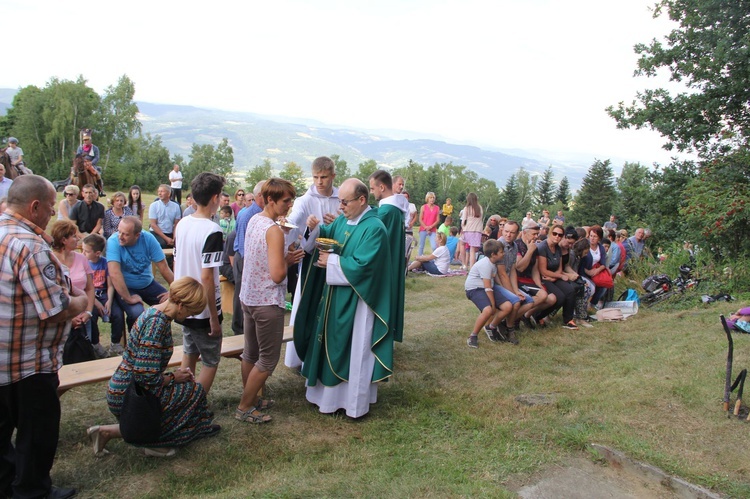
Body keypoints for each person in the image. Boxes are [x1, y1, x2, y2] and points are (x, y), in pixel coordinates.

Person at [0, 175, 88, 498]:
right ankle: (32, 490)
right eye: (51, 207)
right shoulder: (31, 247)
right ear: (34, 206)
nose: (54, 214)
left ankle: (6, 486)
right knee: (36, 435)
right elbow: (54, 309)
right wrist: (80, 301)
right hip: (28, 364)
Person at [86, 277, 220, 458]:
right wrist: (173, 378)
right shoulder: (156, 325)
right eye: (190, 311)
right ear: (181, 305)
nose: (189, 316)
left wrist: (173, 377)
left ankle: (108, 432)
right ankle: (152, 442)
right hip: (129, 394)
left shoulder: (154, 313)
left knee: (187, 390)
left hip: (127, 387)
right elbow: (144, 376)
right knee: (192, 392)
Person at [294, 178, 393, 418]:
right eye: (339, 201)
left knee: (353, 348)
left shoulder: (375, 228)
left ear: (362, 200)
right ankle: (323, 397)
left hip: (359, 301)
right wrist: (314, 228)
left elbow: (366, 267)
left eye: (344, 202)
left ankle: (351, 402)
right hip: (334, 296)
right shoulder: (344, 219)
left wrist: (333, 261)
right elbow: (326, 236)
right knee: (329, 341)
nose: (340, 207)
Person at [236, 178, 303, 423]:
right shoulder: (273, 230)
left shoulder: (255, 220)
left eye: (291, 200)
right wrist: (288, 261)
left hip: (249, 298)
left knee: (249, 354)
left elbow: (259, 259)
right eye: (286, 201)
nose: (290, 205)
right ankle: (244, 407)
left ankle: (251, 398)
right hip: (266, 303)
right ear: (270, 200)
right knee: (267, 359)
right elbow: (277, 275)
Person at [283, 158, 341, 368]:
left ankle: (327, 352)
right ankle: (301, 354)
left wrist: (338, 221)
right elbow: (293, 228)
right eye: (315, 177)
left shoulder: (340, 197)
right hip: (313, 260)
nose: (319, 182)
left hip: (336, 258)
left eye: (324, 177)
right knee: (308, 304)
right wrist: (307, 228)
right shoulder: (305, 200)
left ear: (333, 176)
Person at [173, 172, 226, 395]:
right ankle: (193, 408)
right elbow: (207, 276)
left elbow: (177, 261)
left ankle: (182, 401)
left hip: (184, 303)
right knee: (211, 360)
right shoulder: (213, 230)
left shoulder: (183, 223)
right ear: (215, 198)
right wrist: (214, 318)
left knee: (189, 352)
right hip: (203, 308)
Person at [108, 216, 174, 341]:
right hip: (126, 287)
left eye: (125, 234)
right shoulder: (113, 241)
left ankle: (159, 338)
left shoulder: (148, 239)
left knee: (170, 305)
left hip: (147, 284)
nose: (120, 236)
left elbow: (164, 267)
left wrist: (175, 290)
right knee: (137, 313)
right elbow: (115, 273)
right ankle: (135, 342)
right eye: (119, 231)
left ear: (137, 235)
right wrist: (128, 298)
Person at [50, 220, 100, 357]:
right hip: (60, 320)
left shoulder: (82, 258)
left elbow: (90, 288)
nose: (77, 238)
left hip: (83, 317)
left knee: (83, 355)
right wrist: (68, 319)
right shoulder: (50, 261)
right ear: (63, 239)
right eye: (73, 236)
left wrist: (89, 312)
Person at [369, 170, 407, 341]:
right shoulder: (397, 208)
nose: (371, 192)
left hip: (385, 264)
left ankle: (380, 338)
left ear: (382, 187)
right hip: (394, 262)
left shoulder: (385, 212)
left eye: (372, 188)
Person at [464, 239, 512, 348]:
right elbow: (487, 288)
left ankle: (491, 327)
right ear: (493, 254)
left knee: (507, 306)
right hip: (475, 289)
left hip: (487, 287)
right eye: (501, 252)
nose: (503, 254)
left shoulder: (493, 262)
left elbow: (494, 280)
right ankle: (473, 336)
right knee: (488, 310)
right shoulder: (485, 264)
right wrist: (493, 304)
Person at [232, 181, 265, 335]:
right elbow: (244, 241)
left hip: (246, 257)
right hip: (244, 258)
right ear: (260, 196)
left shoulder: (254, 212)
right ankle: (239, 329)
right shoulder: (249, 214)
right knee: (242, 293)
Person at [495, 221, 536, 342]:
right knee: (516, 301)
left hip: (507, 281)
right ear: (502, 231)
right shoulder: (499, 246)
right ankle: (509, 328)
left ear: (517, 233)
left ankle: (504, 323)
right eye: (506, 231)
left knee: (529, 301)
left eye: (512, 232)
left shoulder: (514, 246)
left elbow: (512, 270)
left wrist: (516, 289)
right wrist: (513, 292)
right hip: (497, 283)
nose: (508, 235)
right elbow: (501, 274)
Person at [536, 224, 578, 330]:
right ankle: (538, 315)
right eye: (555, 234)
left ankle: (568, 320)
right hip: (543, 278)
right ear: (550, 233)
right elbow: (543, 270)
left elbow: (559, 267)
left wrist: (556, 277)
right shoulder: (543, 247)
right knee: (559, 298)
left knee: (570, 290)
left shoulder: (557, 248)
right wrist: (559, 276)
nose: (557, 237)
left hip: (553, 277)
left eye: (560, 235)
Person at [82, 233, 119, 356]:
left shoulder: (105, 263)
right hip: (90, 297)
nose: (83, 254)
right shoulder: (83, 264)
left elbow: (110, 285)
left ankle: (116, 343)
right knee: (90, 316)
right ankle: (95, 344)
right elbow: (87, 289)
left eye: (86, 251)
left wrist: (109, 300)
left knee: (117, 314)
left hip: (103, 294)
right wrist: (97, 304)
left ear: (97, 253)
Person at [514, 222, 555, 328]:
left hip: (529, 280)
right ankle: (512, 319)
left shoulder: (534, 247)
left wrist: (539, 285)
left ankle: (525, 315)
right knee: (542, 295)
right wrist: (530, 251)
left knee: (551, 299)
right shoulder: (517, 245)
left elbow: (535, 270)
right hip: (517, 279)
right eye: (534, 234)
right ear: (524, 232)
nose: (536, 236)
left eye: (537, 233)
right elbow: (520, 267)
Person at [579, 225, 610, 310]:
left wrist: (597, 270)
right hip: (584, 272)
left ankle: (592, 304)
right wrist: (588, 272)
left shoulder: (601, 248)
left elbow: (603, 263)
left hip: (596, 272)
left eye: (595, 236)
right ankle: (582, 307)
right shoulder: (585, 246)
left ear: (599, 238)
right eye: (591, 236)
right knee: (590, 285)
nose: (592, 238)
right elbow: (580, 263)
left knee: (604, 285)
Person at [149, 184, 181, 249]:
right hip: (156, 232)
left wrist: (174, 238)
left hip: (170, 232)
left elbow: (176, 224)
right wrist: (166, 239)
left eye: (162, 191)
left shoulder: (176, 206)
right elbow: (153, 225)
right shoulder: (154, 206)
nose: (159, 193)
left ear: (169, 194)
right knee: (162, 244)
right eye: (158, 191)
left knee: (178, 244)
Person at [76, 131, 104, 196]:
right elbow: (78, 157)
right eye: (84, 140)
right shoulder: (80, 148)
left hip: (91, 164)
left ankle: (100, 190)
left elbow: (97, 157)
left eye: (86, 140)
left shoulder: (95, 148)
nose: (85, 141)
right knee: (73, 173)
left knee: (97, 174)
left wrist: (91, 163)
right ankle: (67, 188)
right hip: (81, 164)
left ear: (90, 140)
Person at [460, 192, 484, 269]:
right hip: (477, 231)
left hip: (468, 229)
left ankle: (464, 264)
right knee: (472, 250)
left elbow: (463, 220)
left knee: (462, 244)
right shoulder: (479, 208)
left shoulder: (467, 208)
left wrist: (462, 228)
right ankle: (472, 268)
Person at [417, 192, 440, 256]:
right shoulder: (423, 207)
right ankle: (419, 259)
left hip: (432, 229)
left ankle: (435, 260)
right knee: (421, 246)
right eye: (430, 197)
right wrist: (426, 227)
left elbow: (438, 220)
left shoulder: (437, 208)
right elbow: (420, 219)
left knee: (434, 246)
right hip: (423, 229)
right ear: (427, 198)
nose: (432, 199)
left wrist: (431, 227)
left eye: (433, 198)